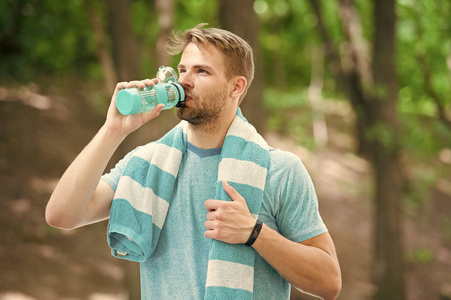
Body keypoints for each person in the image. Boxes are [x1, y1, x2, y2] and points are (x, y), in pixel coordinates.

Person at [46, 24, 341, 300]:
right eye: (182, 69)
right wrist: (113, 131)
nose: (184, 80)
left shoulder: (279, 170)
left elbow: (329, 282)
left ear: (235, 87)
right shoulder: (146, 165)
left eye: (202, 71)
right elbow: (62, 215)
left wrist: (255, 234)